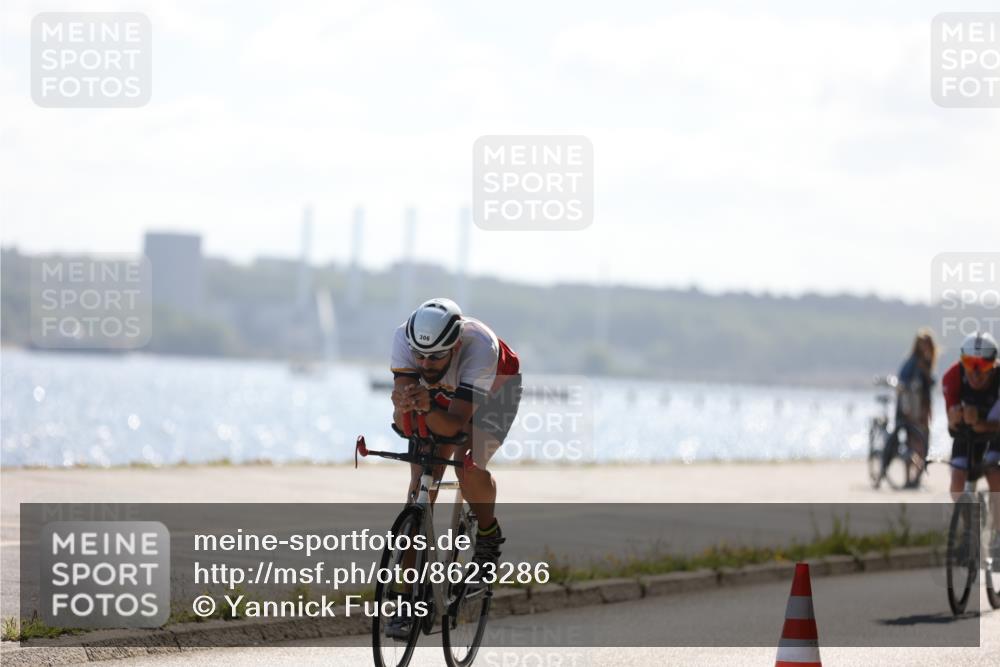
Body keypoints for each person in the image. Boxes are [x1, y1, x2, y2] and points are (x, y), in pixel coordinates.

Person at [386, 298, 522, 638]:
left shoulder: (480, 349)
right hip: (444, 396)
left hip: (496, 389)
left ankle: (488, 537)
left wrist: (425, 406)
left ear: (455, 345)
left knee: (468, 464)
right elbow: (405, 421)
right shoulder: (402, 339)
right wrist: (404, 409)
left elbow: (455, 427)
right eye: (420, 356)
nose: (425, 364)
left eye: (435, 357)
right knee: (420, 486)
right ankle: (405, 598)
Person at [942, 331, 1000, 558]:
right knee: (958, 480)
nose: (975, 373)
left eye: (982, 366)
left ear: (994, 365)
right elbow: (951, 423)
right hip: (968, 433)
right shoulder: (952, 377)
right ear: (961, 361)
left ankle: (997, 534)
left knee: (993, 470)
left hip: (995, 430)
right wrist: (955, 418)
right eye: (969, 363)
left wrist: (981, 424)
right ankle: (969, 533)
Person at [895, 328, 936, 488]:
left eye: (926, 345)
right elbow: (904, 386)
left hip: (922, 411)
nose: (924, 348)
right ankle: (909, 478)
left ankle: (915, 477)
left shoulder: (926, 363)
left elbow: (929, 388)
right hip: (911, 410)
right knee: (913, 443)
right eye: (922, 345)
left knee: (920, 443)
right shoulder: (912, 363)